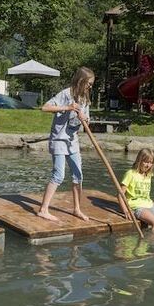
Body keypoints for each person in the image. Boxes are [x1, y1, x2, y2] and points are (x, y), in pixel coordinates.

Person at [37, 67, 95, 222]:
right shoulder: (65, 94)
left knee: (78, 175)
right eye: (89, 83)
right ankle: (43, 210)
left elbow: (86, 120)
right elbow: (45, 107)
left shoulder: (85, 99)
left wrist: (85, 119)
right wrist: (68, 107)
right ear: (81, 81)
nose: (90, 86)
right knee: (59, 175)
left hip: (72, 141)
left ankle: (77, 209)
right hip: (59, 140)